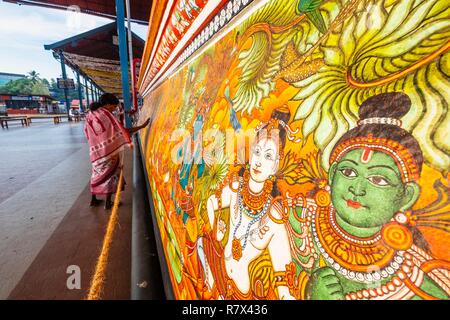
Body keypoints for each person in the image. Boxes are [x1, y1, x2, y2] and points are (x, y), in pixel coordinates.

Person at [287, 92, 449, 300]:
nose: (358, 188)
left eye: (379, 180)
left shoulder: (416, 280)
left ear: (407, 196)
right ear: (332, 173)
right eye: (348, 172)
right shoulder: (295, 220)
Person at [199, 106, 297, 299]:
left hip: (239, 294)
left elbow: (282, 279)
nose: (259, 162)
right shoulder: (236, 188)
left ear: (276, 164)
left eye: (268, 156)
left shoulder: (274, 217)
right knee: (200, 243)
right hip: (217, 275)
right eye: (257, 152)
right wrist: (214, 233)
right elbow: (211, 202)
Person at [84, 93, 150, 209]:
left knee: (97, 174)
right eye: (114, 106)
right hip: (108, 152)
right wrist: (142, 126)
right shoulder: (106, 115)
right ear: (108, 104)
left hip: (95, 151)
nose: (115, 109)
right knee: (110, 175)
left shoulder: (91, 113)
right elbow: (122, 130)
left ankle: (93, 200)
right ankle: (108, 203)